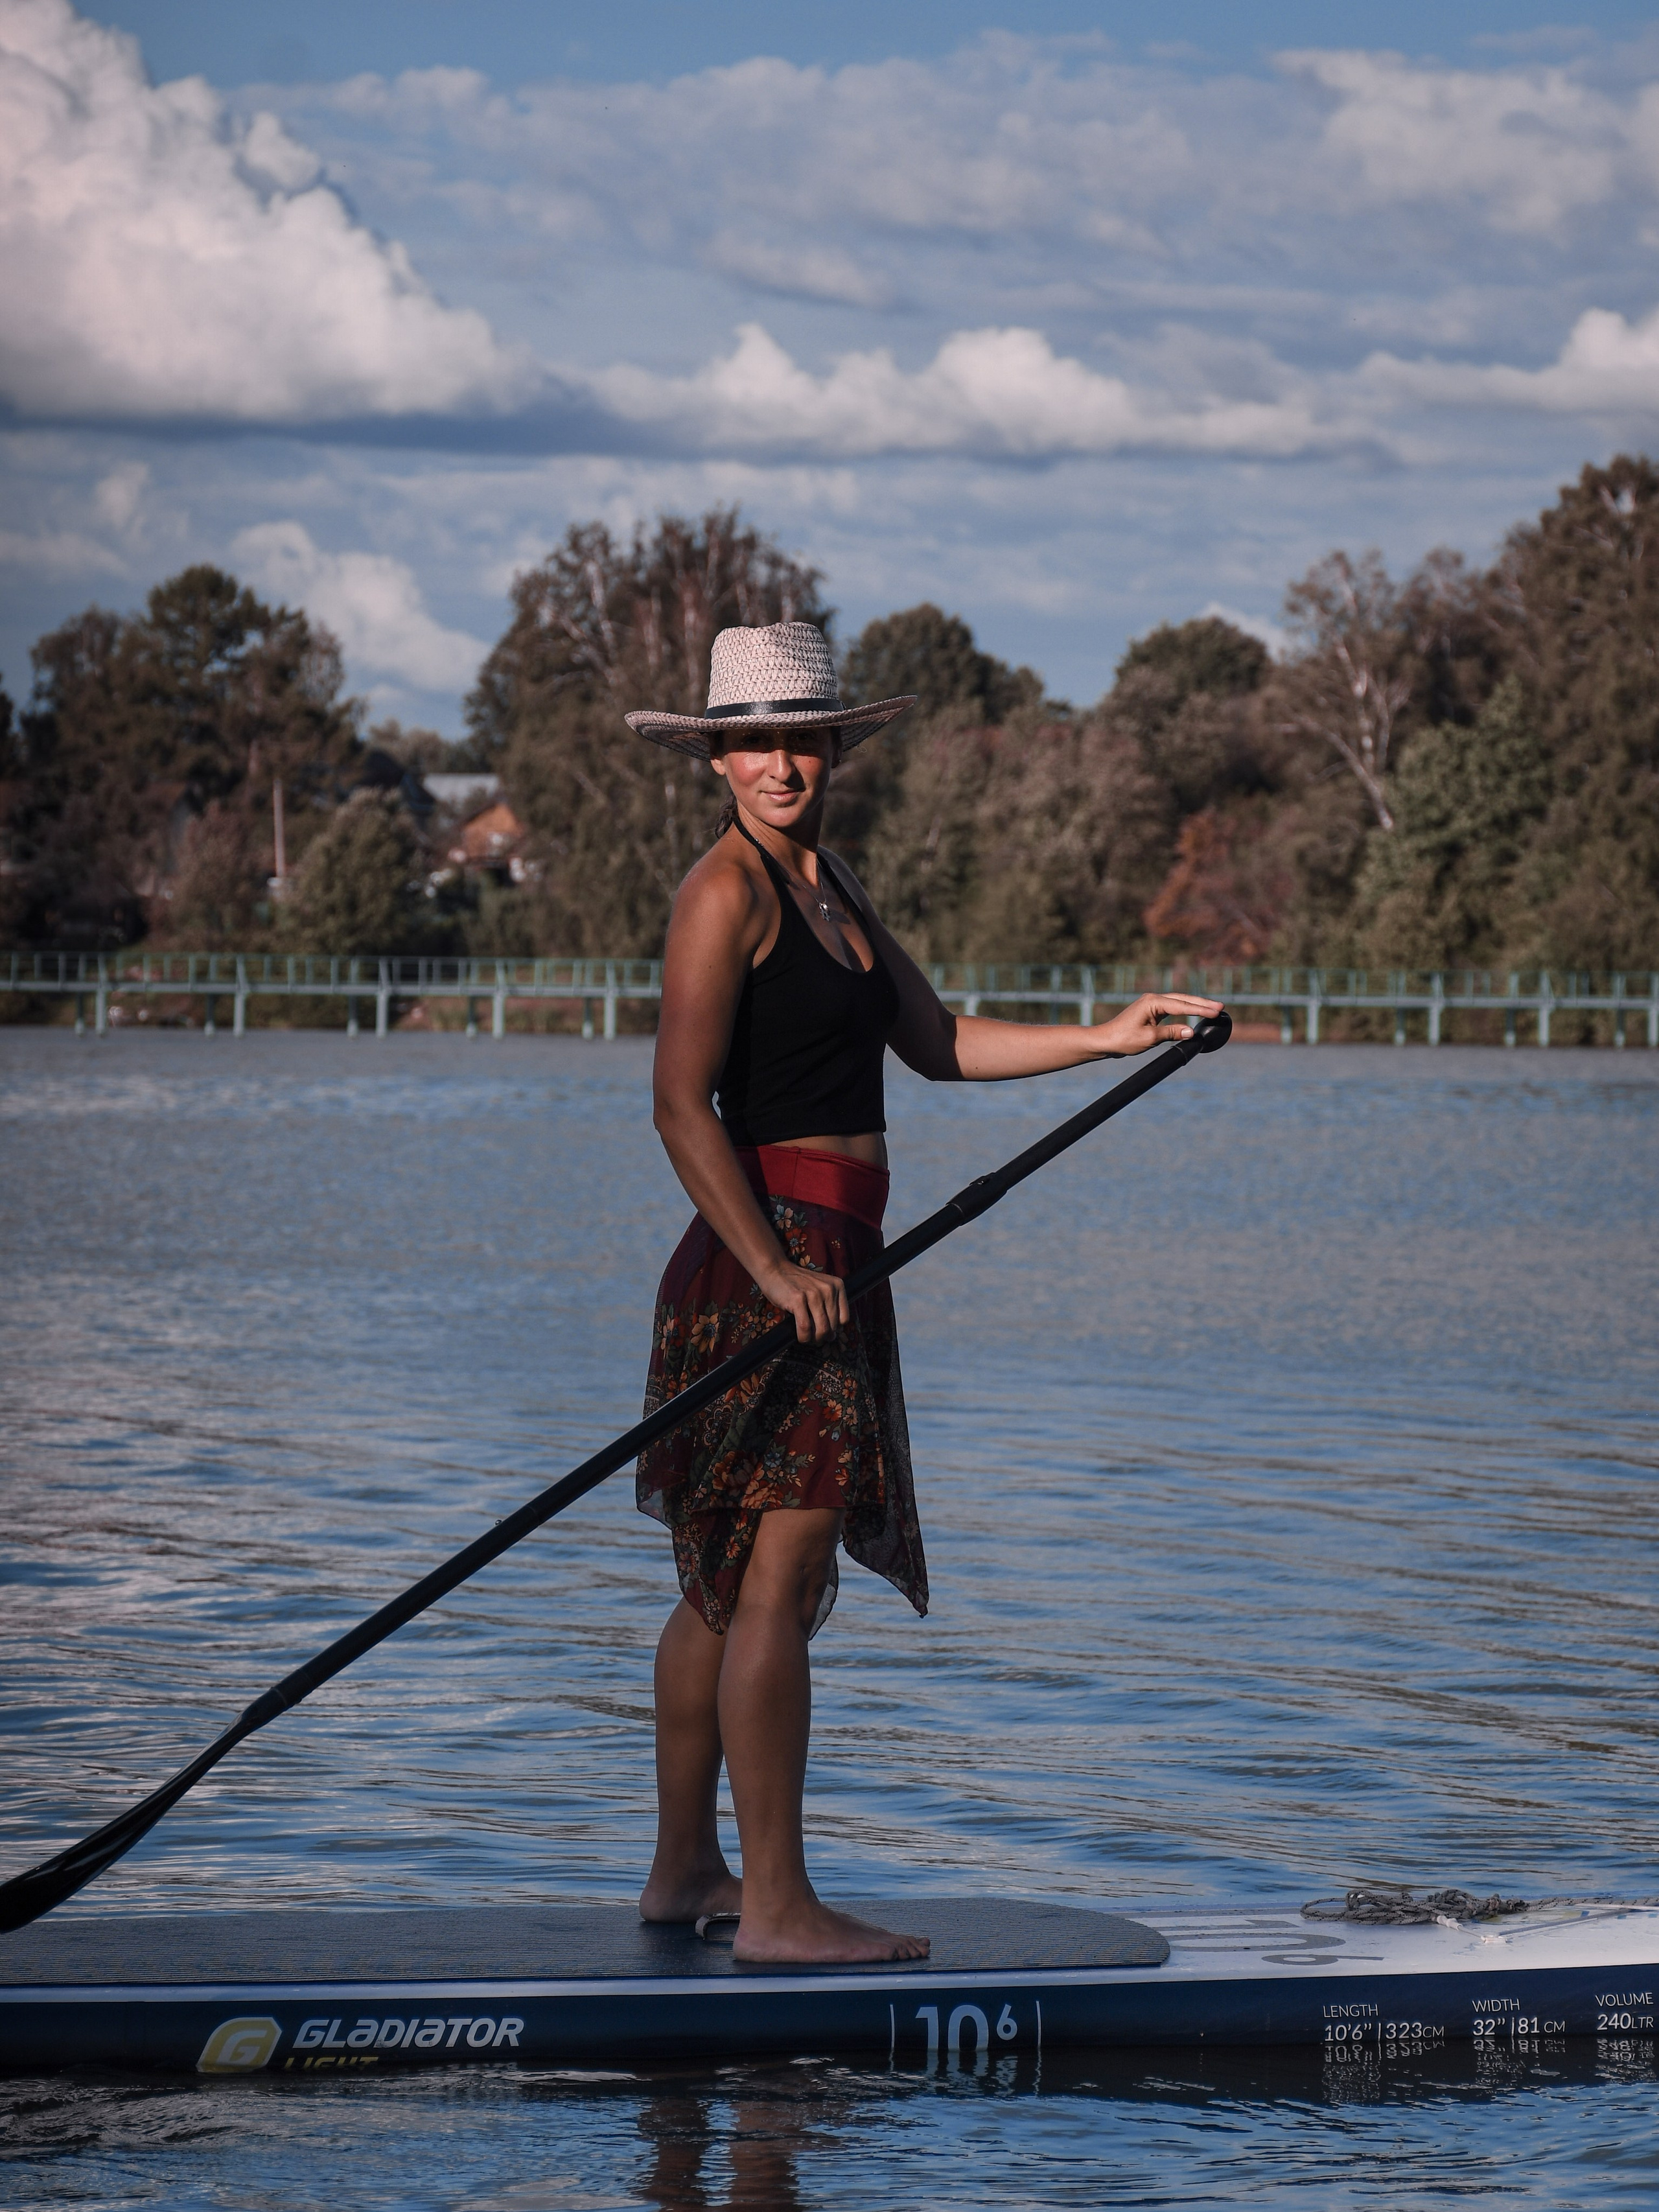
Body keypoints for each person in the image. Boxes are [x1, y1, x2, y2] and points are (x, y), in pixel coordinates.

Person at [627, 622, 1222, 1964]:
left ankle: (684, 1876)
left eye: (801, 738)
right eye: (754, 742)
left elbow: (939, 1043)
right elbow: (677, 1107)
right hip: (768, 1259)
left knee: (722, 1585)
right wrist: (776, 1268)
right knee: (769, 1575)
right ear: (716, 756)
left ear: (833, 745)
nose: (781, 762)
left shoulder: (829, 883)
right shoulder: (723, 893)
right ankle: (776, 1912)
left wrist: (1106, 1033)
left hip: (829, 1256)